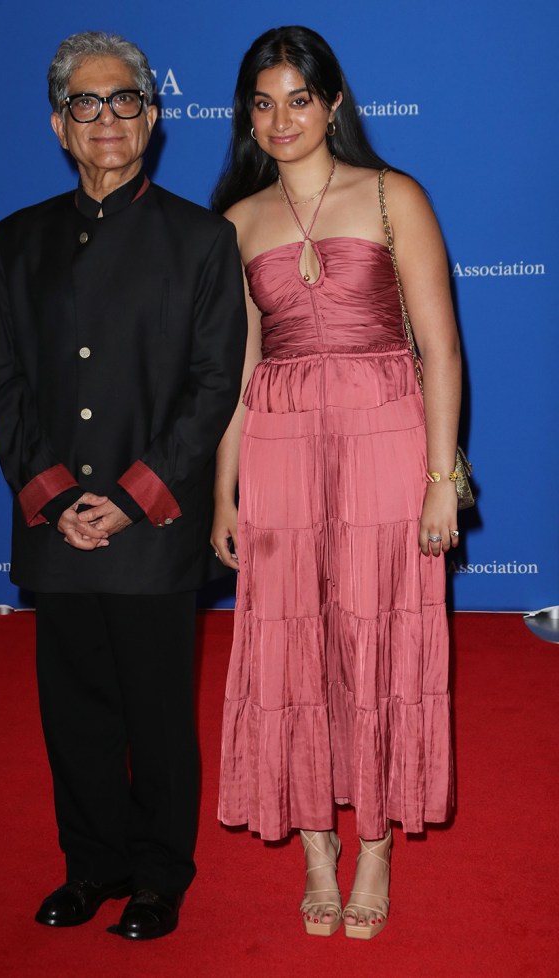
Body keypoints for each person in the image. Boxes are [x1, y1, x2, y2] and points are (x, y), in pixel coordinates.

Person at [0, 31, 246, 941]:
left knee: (158, 715)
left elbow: (214, 385)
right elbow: (8, 384)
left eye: (125, 101)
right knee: (77, 713)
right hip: (57, 528)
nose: (108, 119)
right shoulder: (14, 241)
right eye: (86, 104)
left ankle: (158, 879)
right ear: (61, 125)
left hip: (153, 524)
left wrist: (130, 496)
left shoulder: (202, 239)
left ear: (154, 117)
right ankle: (91, 866)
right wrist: (57, 499)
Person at [211, 25, 460, 940]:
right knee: (292, 642)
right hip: (280, 437)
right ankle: (317, 841)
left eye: (300, 100)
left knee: (379, 633)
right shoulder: (236, 221)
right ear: (248, 114)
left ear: (335, 105)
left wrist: (441, 478)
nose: (282, 119)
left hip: (385, 431)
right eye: (264, 103)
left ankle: (378, 842)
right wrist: (221, 493)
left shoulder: (395, 197)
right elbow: (238, 374)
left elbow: (440, 349)